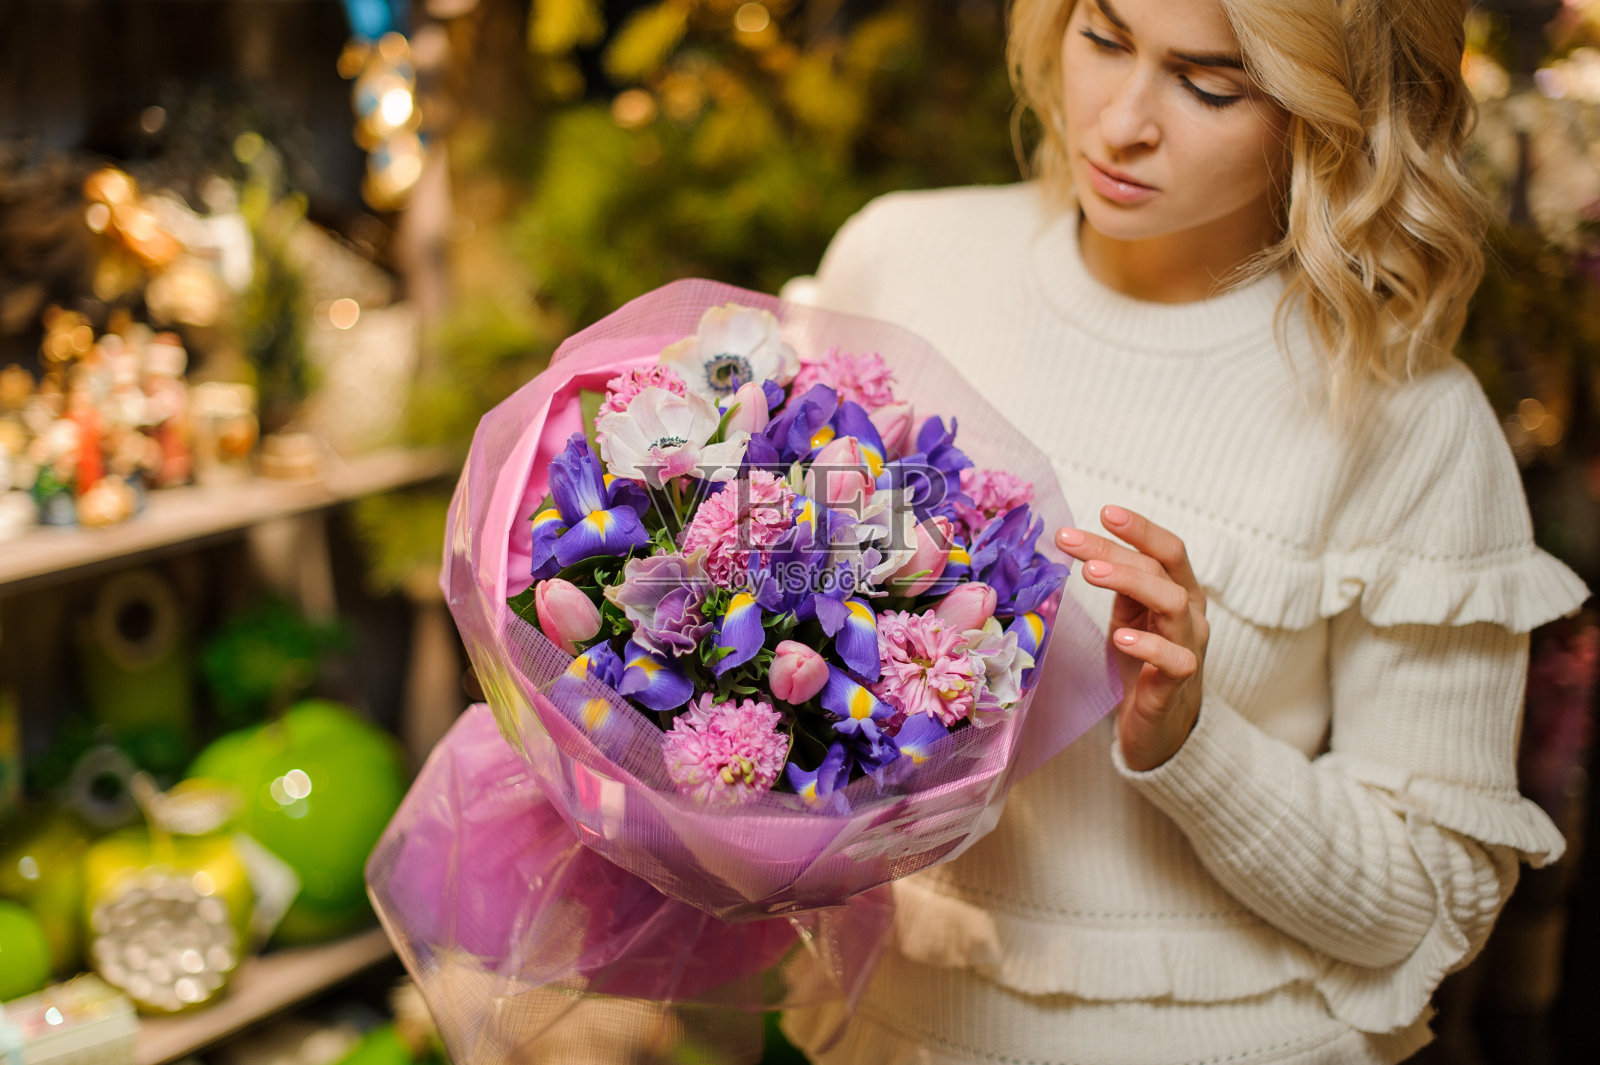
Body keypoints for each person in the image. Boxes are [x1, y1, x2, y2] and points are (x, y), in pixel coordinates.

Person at [779, 0, 1592, 1061]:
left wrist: (1191, 746)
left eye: (1210, 85)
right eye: (1103, 38)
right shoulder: (903, 259)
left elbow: (1428, 910)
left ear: (1330, 114)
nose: (1121, 124)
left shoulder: (1409, 421)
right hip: (883, 1029)